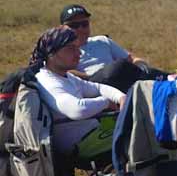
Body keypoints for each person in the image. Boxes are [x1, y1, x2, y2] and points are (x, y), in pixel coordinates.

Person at [29, 26, 125, 156]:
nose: (79, 53)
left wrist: (121, 98)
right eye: (71, 49)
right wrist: (106, 102)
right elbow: (77, 110)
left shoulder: (64, 75)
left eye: (77, 47)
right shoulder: (48, 82)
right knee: (140, 135)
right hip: (81, 144)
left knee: (141, 123)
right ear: (51, 54)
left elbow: (97, 87)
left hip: (94, 130)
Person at [59, 4, 165, 92]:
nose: (81, 29)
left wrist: (140, 65)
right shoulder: (61, 49)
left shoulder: (102, 41)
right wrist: (88, 77)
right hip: (90, 83)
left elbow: (131, 59)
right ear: (63, 28)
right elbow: (62, 72)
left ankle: (171, 79)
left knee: (143, 71)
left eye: (84, 24)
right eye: (74, 26)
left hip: (117, 78)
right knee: (117, 67)